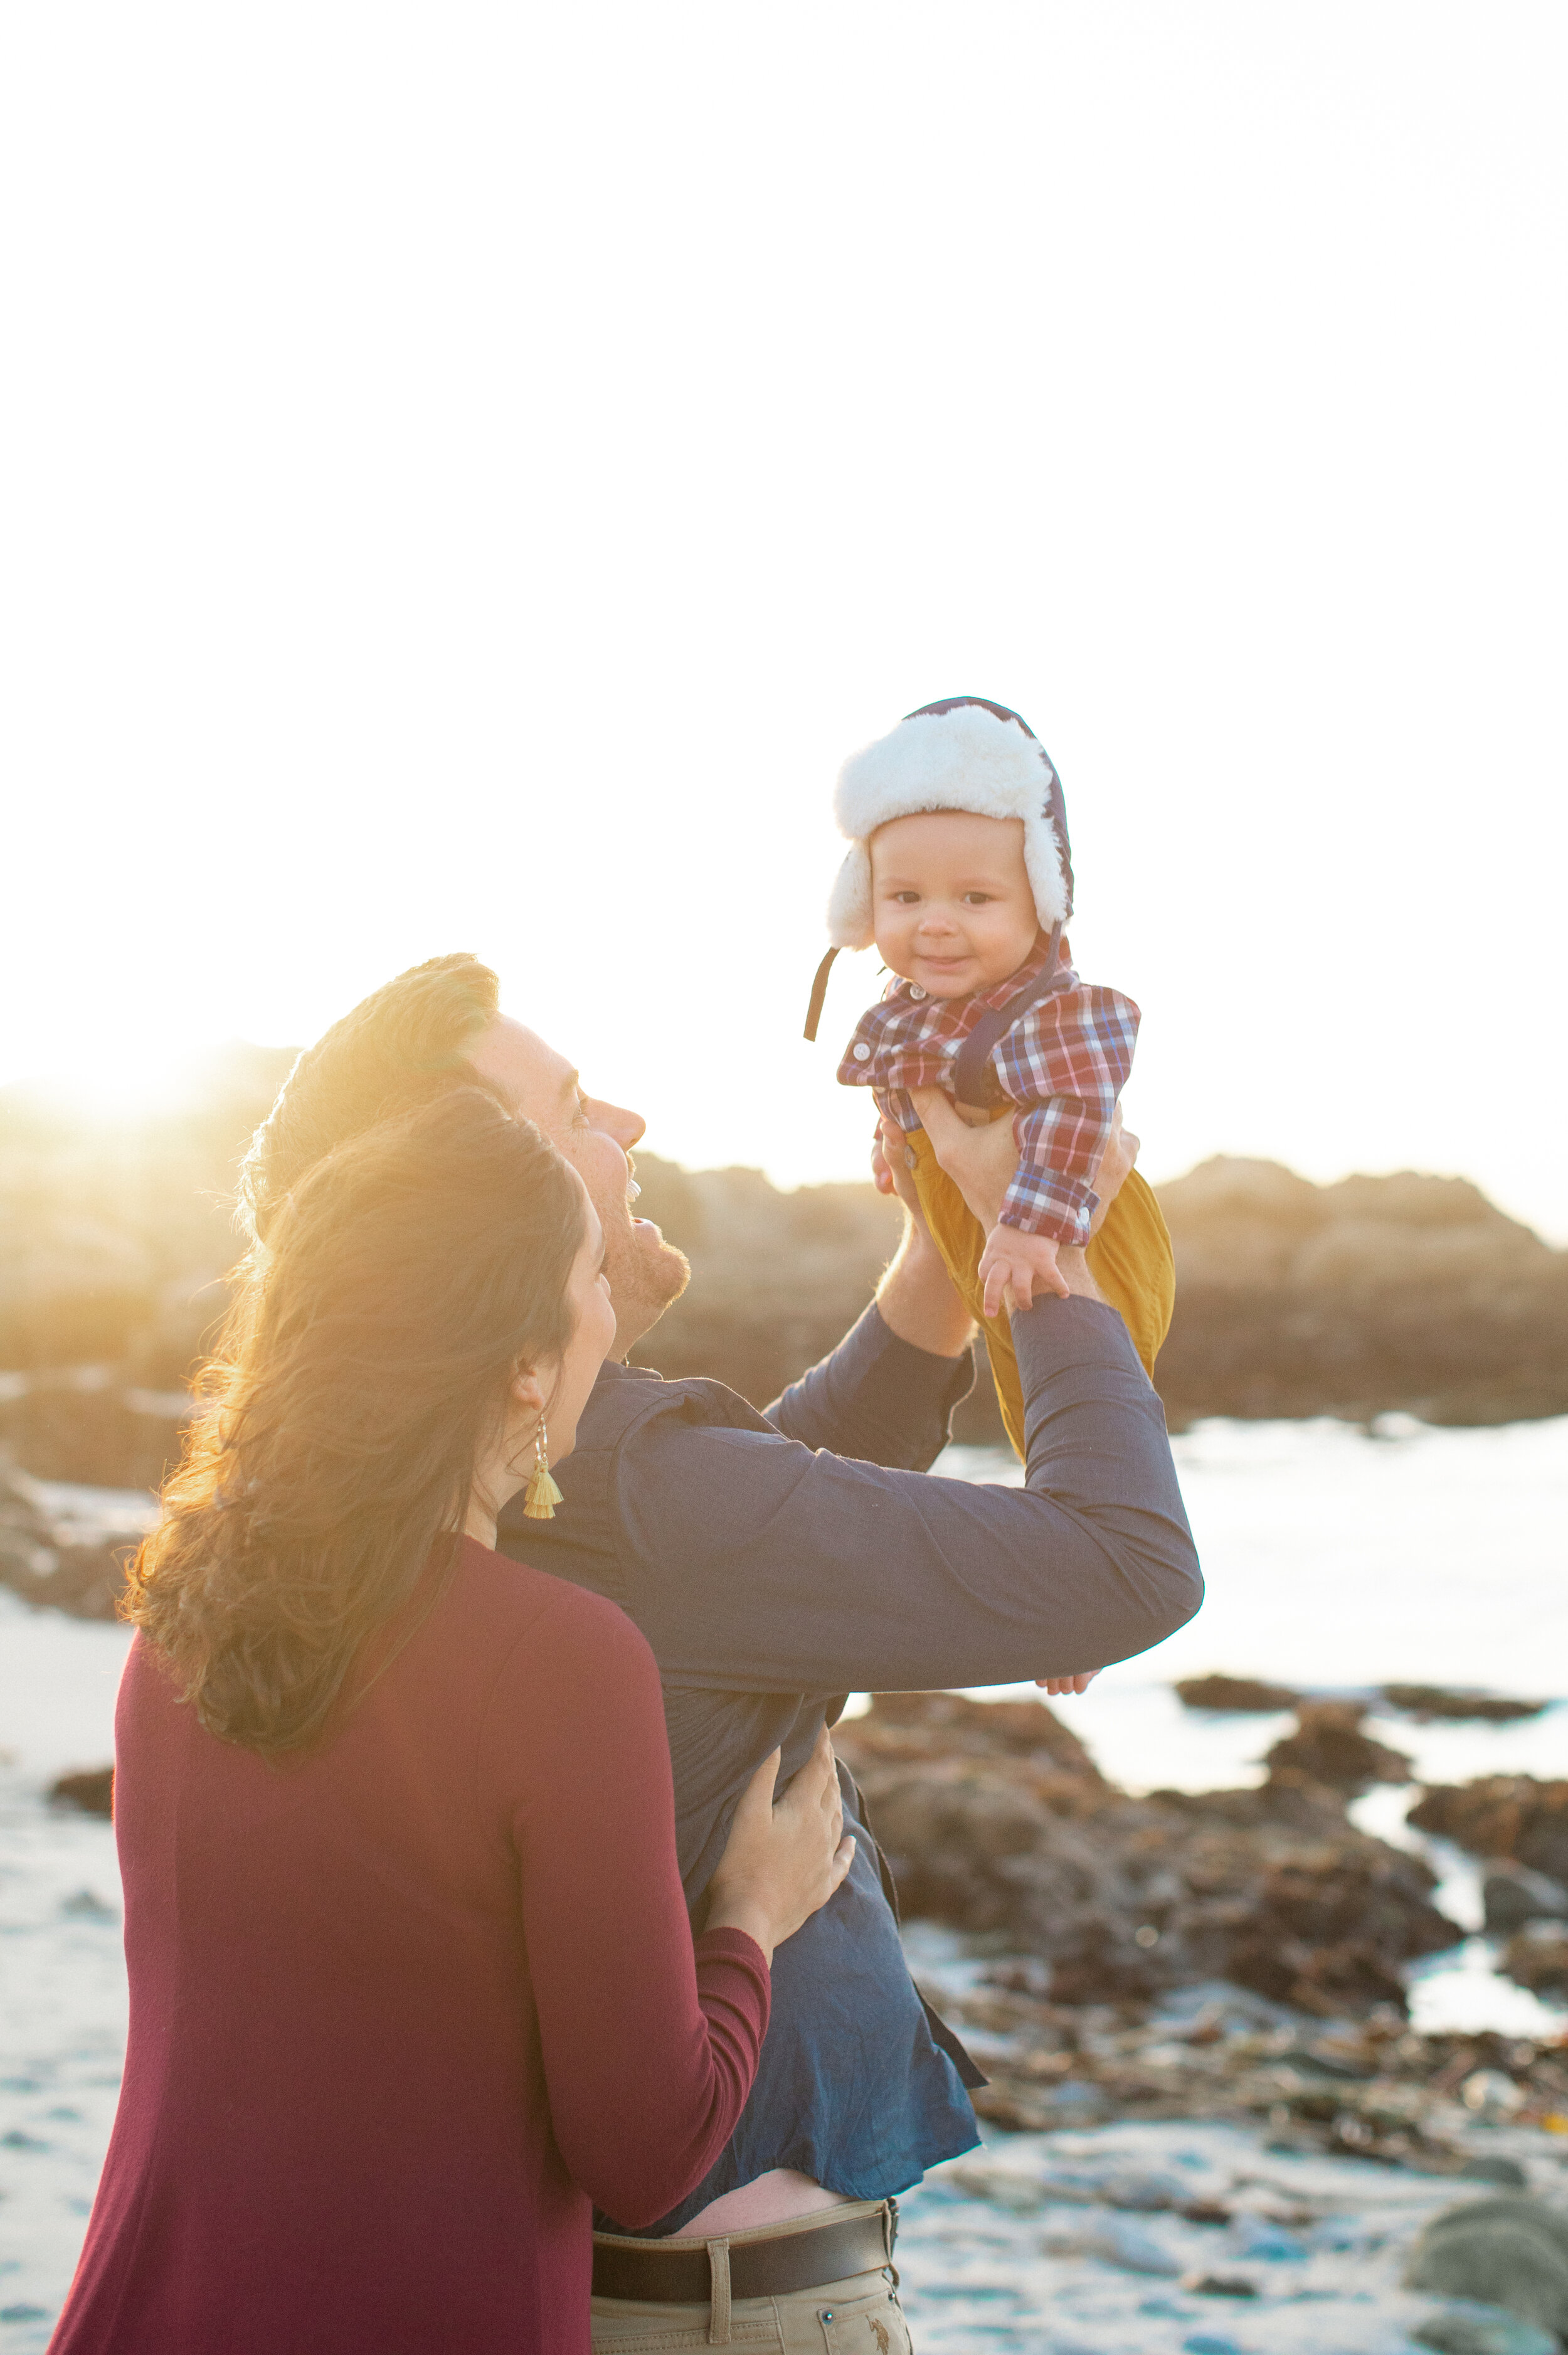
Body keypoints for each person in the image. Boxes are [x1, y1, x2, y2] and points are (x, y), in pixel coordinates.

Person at [240, 952, 1203, 2352]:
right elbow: (1125, 1561)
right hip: (730, 2317)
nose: (623, 1123)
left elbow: (767, 1520)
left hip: (568, 2286)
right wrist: (1035, 1246)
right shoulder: (632, 1493)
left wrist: (943, 1251)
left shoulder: (449, 1478)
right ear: (476, 1198)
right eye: (571, 1108)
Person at [48, 1092, 854, 2355]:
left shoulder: (180, 1619)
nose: (609, 1314)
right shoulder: (561, 1660)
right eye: (592, 1275)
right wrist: (750, 1913)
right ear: (526, 1359)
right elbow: (644, 2149)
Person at [807, 693, 1166, 1465]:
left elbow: (1079, 1103)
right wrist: (900, 1144)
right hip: (980, 1230)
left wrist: (1031, 1225)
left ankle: (1084, 1519)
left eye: (975, 898)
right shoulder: (920, 1008)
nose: (935, 922)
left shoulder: (1045, 1012)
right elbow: (913, 1091)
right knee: (1027, 1413)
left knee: (1061, 1404)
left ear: (1040, 902)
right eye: (905, 897)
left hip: (1074, 1229)